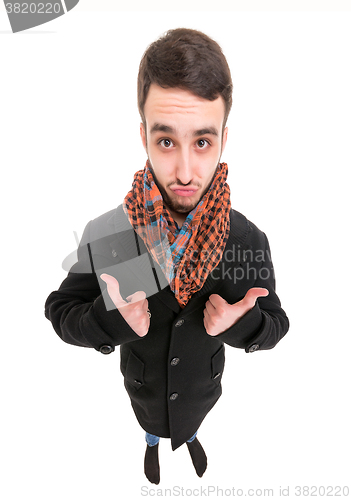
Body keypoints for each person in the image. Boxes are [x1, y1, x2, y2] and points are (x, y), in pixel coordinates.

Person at [44, 28, 289, 484]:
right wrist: (108, 319)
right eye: (165, 141)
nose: (183, 172)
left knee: (191, 425)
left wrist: (243, 325)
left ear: (223, 139)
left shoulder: (248, 239)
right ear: (143, 136)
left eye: (201, 142)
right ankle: (152, 444)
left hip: (203, 391)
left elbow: (277, 323)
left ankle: (191, 437)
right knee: (152, 429)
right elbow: (60, 310)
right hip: (144, 393)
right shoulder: (108, 233)